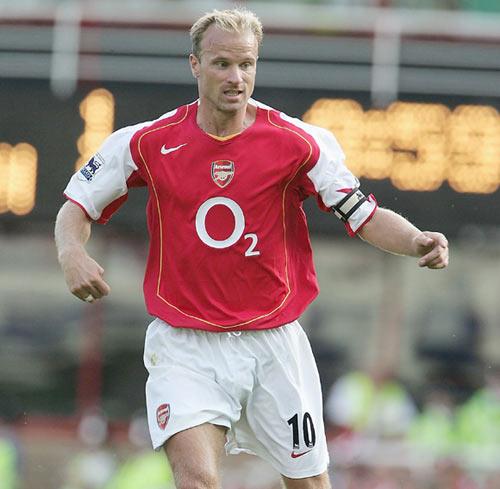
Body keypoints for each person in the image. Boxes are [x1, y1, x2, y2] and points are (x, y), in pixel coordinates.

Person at [54, 8, 449, 489]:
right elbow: (76, 206)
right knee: (197, 480)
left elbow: (362, 215)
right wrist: (72, 254)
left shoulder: (300, 143)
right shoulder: (145, 144)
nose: (236, 78)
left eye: (247, 65)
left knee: (308, 484)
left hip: (274, 344)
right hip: (185, 345)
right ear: (195, 65)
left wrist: (415, 241)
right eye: (221, 64)